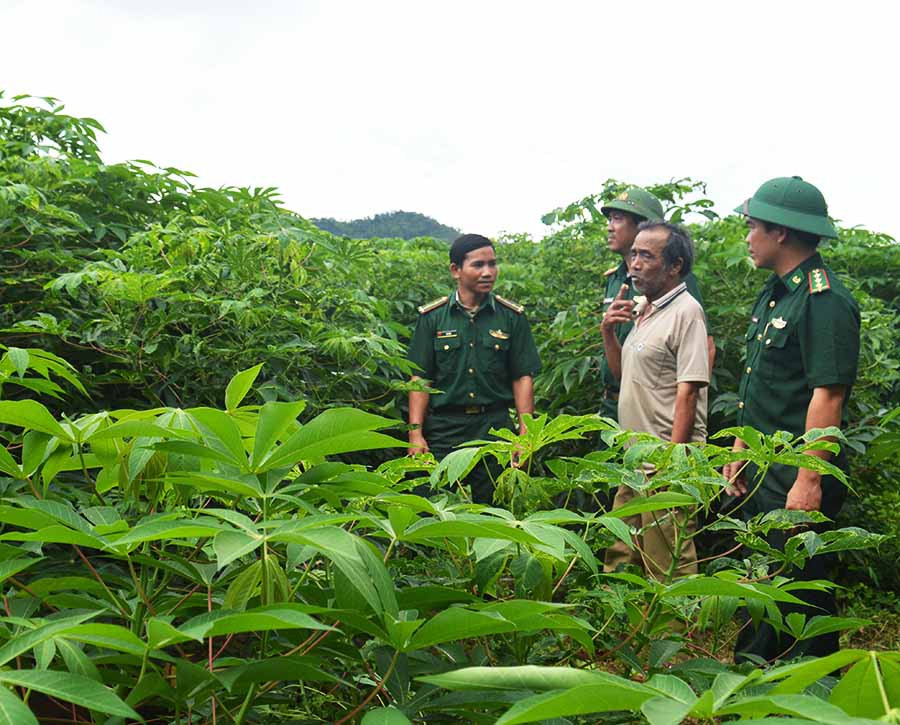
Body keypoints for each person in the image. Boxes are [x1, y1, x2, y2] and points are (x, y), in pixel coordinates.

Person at [723, 176, 861, 662]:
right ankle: (765, 686)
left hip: (796, 473)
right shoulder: (776, 294)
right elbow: (758, 384)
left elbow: (827, 396)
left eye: (753, 227)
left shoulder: (824, 300)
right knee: (764, 584)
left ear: (781, 232)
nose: (747, 237)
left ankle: (800, 690)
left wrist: (808, 479)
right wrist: (740, 451)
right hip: (765, 467)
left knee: (797, 590)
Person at [600, 221, 709, 579]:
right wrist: (609, 333)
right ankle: (623, 630)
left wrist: (671, 466)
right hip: (635, 460)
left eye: (646, 255)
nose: (635, 263)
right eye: (633, 254)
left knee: (666, 567)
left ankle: (676, 633)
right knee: (620, 557)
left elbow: (689, 391)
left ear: (674, 265)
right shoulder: (644, 309)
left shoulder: (686, 312)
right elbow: (625, 376)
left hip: (663, 462)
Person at [406, 234, 541, 503]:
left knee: (495, 511)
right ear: (456, 270)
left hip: (493, 427)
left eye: (492, 264)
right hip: (444, 428)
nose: (488, 272)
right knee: (429, 506)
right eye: (478, 265)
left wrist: (526, 435)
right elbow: (420, 378)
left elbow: (522, 376)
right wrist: (415, 433)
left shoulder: (511, 316)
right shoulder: (433, 317)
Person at [598, 187, 715, 420]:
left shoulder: (672, 277)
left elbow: (705, 347)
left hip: (655, 411)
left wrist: (681, 412)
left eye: (618, 219)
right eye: (610, 219)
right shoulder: (615, 279)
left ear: (645, 225)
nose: (610, 227)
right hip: (616, 405)